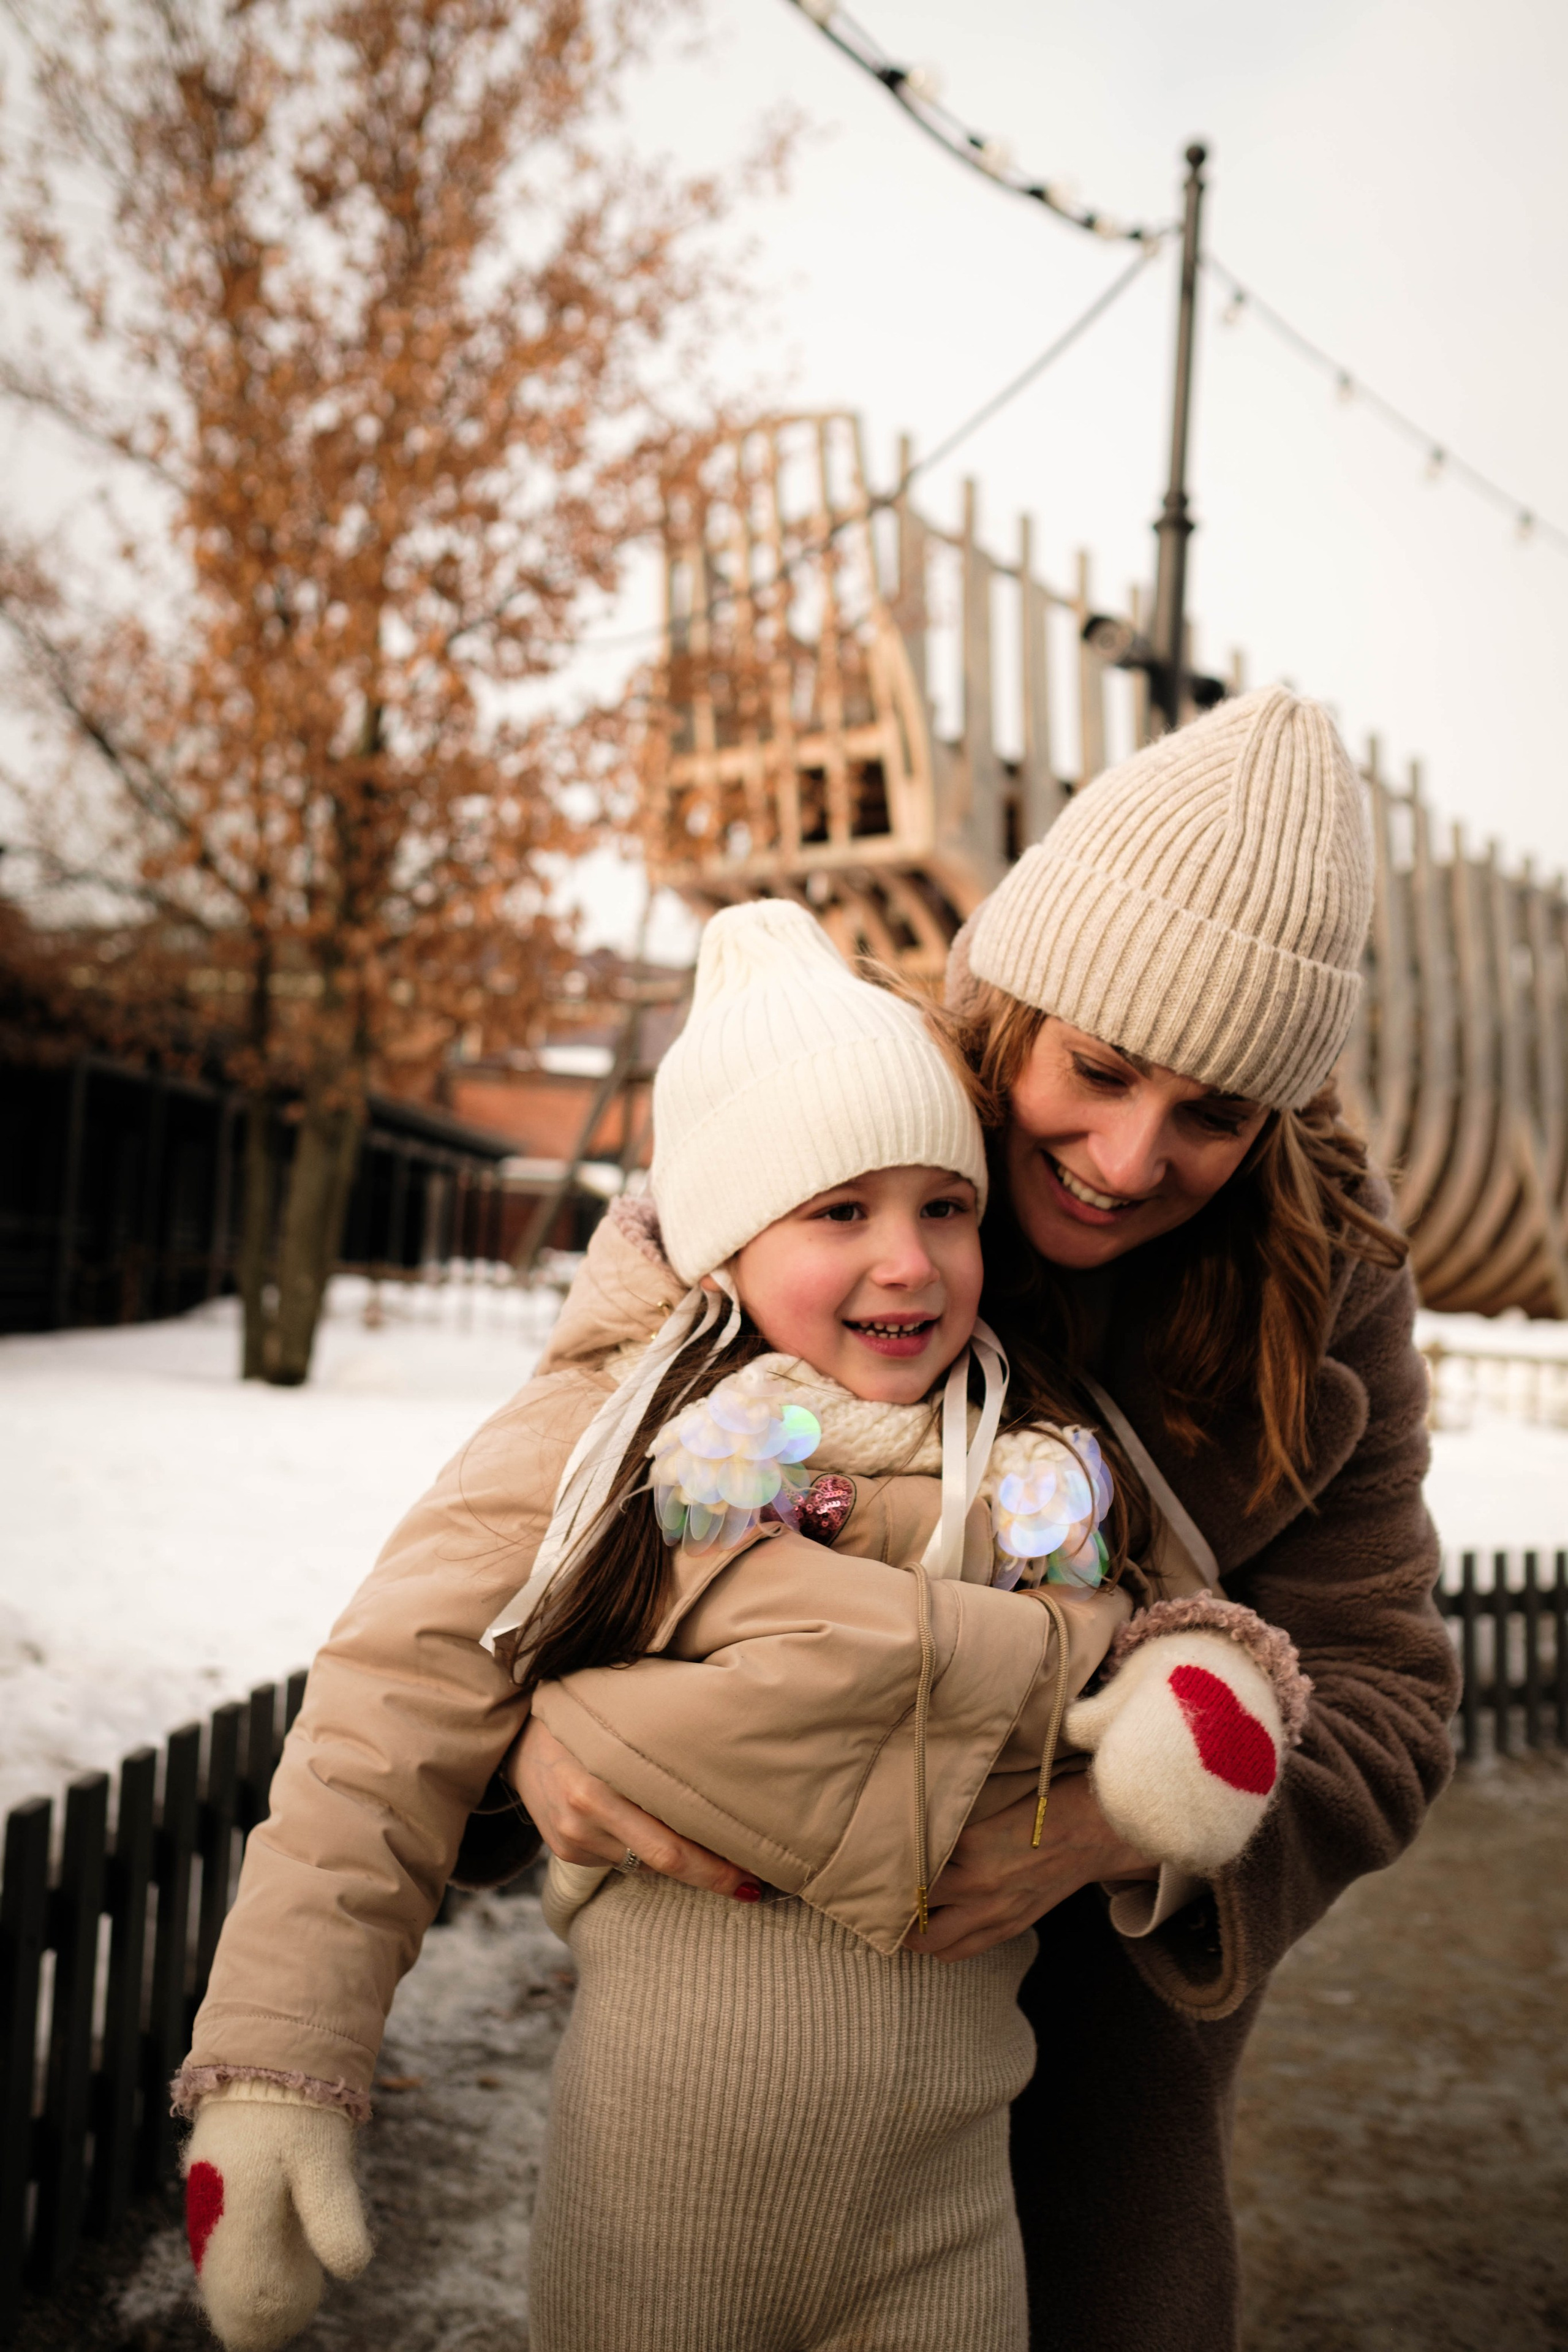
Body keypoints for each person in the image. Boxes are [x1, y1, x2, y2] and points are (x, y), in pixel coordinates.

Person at [174, 900, 1305, 2352]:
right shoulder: (612, 1435)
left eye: (941, 1207)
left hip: (947, 2201)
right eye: (839, 1211)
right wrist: (278, 2069)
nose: (905, 1262)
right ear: (720, 1239)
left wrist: (1192, 1698)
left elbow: (1151, 1614)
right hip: (665, 2194)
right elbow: (385, 1709)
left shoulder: (1027, 1443)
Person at [510, 687, 1461, 2352]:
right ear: (1011, 1007)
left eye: (1217, 1114)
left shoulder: (1328, 1299)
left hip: (1099, 2075)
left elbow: (1388, 1689)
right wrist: (545, 1731)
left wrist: (1117, 1833)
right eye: (1096, 1068)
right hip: (742, 2073)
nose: (1126, 1154)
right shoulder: (809, 1146)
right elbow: (523, 1534)